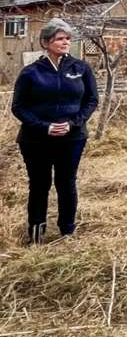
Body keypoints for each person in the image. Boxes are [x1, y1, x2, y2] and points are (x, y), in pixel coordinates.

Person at [10, 18, 97, 244]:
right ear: (46, 42)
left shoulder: (81, 68)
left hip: (72, 138)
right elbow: (18, 107)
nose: (65, 42)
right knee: (39, 185)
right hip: (36, 140)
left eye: (68, 38)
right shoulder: (30, 72)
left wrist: (73, 123)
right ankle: (36, 235)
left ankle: (66, 231)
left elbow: (91, 100)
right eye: (60, 38)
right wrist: (44, 127)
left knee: (66, 183)